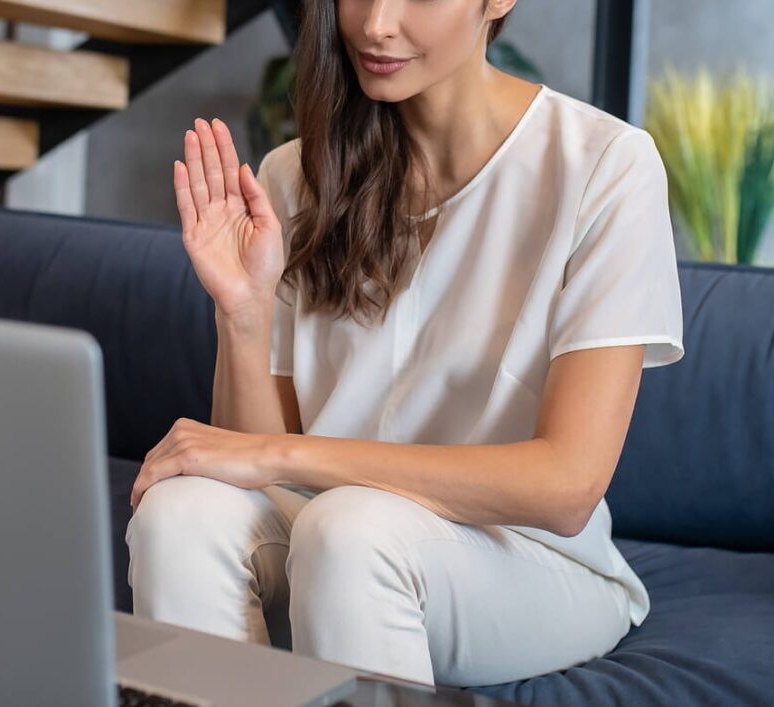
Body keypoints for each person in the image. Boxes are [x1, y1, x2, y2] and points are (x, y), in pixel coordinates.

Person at [125, 0, 685, 689]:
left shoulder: (605, 167)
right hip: (331, 529)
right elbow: (259, 472)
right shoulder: (293, 176)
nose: (376, 23)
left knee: (350, 532)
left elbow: (567, 485)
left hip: (527, 560)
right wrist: (241, 313)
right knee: (178, 516)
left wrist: (281, 453)